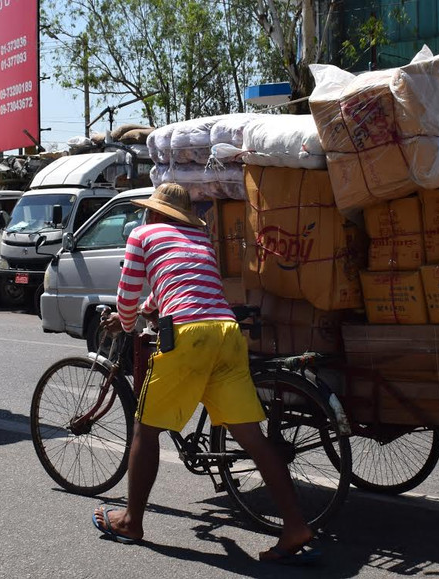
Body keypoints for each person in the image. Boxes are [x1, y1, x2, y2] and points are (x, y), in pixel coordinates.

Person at [93, 183, 318, 564]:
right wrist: (151, 307)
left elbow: (128, 295)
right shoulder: (199, 238)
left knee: (145, 429)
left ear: (154, 212)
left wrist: (125, 322)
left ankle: (131, 521)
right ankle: (295, 526)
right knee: (252, 438)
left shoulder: (142, 234)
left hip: (188, 335)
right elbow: (176, 286)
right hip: (225, 332)